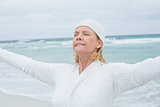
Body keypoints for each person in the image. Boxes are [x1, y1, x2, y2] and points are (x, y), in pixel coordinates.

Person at [0, 19, 160, 107]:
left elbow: (149, 68)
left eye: (86, 33)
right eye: (75, 34)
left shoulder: (113, 73)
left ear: (99, 43)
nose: (78, 37)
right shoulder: (61, 72)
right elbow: (28, 65)